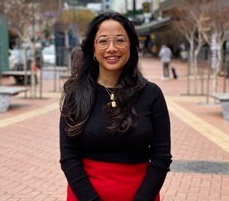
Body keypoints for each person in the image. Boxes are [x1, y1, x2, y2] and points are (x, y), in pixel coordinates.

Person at [59, 11, 172, 201]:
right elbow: (69, 158)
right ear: (93, 49)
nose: (111, 48)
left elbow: (161, 157)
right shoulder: (76, 95)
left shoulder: (151, 94)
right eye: (103, 41)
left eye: (120, 40)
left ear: (131, 47)